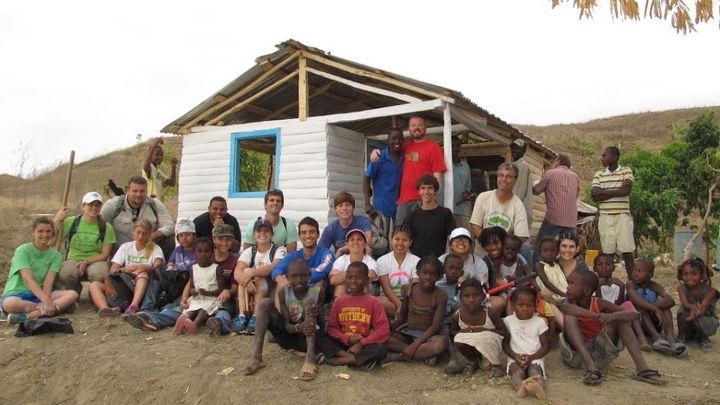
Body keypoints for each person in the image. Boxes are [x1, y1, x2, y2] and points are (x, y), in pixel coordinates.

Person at [558, 270, 666, 386]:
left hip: (599, 356)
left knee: (621, 319)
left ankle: (642, 368)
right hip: (575, 356)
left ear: (587, 290)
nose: (568, 287)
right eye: (568, 283)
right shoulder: (567, 302)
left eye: (572, 284)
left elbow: (634, 315)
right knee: (570, 317)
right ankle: (591, 368)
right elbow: (567, 309)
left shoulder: (599, 303)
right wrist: (598, 316)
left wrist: (612, 316)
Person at [245, 259, 325, 380]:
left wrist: (317, 313)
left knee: (309, 302)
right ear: (287, 277)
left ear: (309, 275)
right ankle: (256, 358)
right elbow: (287, 327)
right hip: (290, 337)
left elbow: (322, 326)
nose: (299, 279)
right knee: (265, 303)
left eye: (303, 275)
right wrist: (300, 327)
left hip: (312, 339)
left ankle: (310, 359)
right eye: (294, 276)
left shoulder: (317, 292)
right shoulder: (284, 292)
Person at [1, 217, 79, 324]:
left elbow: (49, 281)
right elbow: (27, 279)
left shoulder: (55, 255)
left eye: (48, 231)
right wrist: (46, 301)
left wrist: (45, 298)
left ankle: (27, 316)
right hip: (18, 293)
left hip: (41, 293)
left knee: (72, 294)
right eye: (40, 231)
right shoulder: (22, 250)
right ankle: (58, 308)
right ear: (33, 232)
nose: (44, 234)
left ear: (53, 233)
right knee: (9, 304)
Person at [372, 115, 446, 227]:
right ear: (409, 129)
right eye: (413, 125)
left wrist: (433, 199)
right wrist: (375, 151)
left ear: (425, 128)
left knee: (421, 232)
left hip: (423, 200)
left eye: (420, 125)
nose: (416, 128)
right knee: (400, 232)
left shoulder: (433, 147)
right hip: (403, 201)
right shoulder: (405, 146)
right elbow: (391, 150)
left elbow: (438, 177)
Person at [317, 261, 390, 370]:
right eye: (350, 277)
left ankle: (337, 361)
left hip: (363, 344)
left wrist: (361, 344)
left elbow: (383, 330)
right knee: (319, 337)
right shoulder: (339, 301)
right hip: (342, 342)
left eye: (358, 278)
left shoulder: (374, 302)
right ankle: (352, 358)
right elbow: (332, 328)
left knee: (381, 349)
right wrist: (347, 338)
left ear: (367, 280)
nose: (353, 281)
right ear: (345, 278)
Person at [91, 219, 164, 315]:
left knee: (142, 274)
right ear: (133, 232)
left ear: (149, 234)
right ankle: (105, 308)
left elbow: (159, 270)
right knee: (94, 285)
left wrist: (147, 268)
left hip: (143, 285)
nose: (140, 237)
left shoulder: (156, 249)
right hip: (125, 282)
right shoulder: (125, 247)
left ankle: (134, 305)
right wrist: (124, 269)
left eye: (144, 234)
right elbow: (113, 270)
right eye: (138, 232)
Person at [387, 256, 449, 364]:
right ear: (418, 272)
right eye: (424, 273)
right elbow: (402, 315)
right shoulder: (408, 289)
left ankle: (397, 356)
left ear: (439, 277)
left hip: (428, 336)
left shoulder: (440, 295)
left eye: (432, 274)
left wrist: (415, 345)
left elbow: (435, 326)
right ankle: (422, 354)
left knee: (440, 344)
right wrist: (391, 326)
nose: (428, 277)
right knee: (383, 337)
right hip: (408, 333)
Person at [53, 191, 116, 295]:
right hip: (73, 259)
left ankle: (94, 294)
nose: (94, 208)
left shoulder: (106, 227)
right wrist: (56, 220)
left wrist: (86, 262)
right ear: (83, 206)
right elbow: (52, 242)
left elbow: (104, 255)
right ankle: (73, 293)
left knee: (99, 274)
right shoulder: (71, 222)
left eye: (97, 205)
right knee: (66, 273)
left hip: (95, 261)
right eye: (90, 205)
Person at [470, 163, 530, 263]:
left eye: (508, 176)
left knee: (525, 250)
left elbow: (522, 236)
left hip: (505, 252)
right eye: (501, 175)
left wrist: (503, 248)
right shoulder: (483, 197)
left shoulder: (518, 205)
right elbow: (475, 225)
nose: (504, 179)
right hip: (484, 248)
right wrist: (489, 243)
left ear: (515, 180)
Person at [100, 176, 174, 258]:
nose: (138, 194)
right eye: (135, 191)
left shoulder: (155, 205)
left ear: (147, 191)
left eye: (142, 191)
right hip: (121, 254)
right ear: (127, 190)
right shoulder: (112, 206)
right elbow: (100, 227)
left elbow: (169, 226)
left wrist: (150, 236)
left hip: (149, 251)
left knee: (170, 240)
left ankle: (166, 265)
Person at [233, 219, 286, 334]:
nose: (262, 233)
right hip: (251, 289)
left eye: (266, 231)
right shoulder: (249, 251)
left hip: (271, 289)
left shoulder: (279, 250)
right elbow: (237, 270)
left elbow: (274, 266)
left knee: (251, 273)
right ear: (254, 235)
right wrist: (246, 280)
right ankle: (242, 315)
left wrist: (251, 273)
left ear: (272, 234)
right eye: (259, 231)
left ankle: (256, 317)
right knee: (245, 272)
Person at [591, 146, 635, 278]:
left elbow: (626, 190)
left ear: (614, 157)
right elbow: (595, 195)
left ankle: (633, 282)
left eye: (605, 155)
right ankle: (606, 282)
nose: (602, 158)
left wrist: (604, 192)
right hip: (605, 217)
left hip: (623, 216)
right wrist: (618, 191)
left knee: (627, 251)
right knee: (607, 253)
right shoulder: (599, 174)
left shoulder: (626, 171)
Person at [448, 278, 506, 377]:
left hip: (490, 344)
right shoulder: (457, 316)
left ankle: (495, 364)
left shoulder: (490, 312)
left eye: (475, 295)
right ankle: (473, 361)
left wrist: (483, 330)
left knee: (486, 336)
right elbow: (453, 333)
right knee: (459, 339)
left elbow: (504, 332)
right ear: (460, 298)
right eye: (466, 296)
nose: (471, 300)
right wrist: (465, 331)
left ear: (483, 297)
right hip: (472, 346)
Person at [593, 254, 650, 351]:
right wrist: (598, 286)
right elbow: (597, 303)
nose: (604, 267)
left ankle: (642, 339)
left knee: (628, 305)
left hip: (616, 314)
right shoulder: (592, 283)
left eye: (608, 264)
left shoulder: (618, 284)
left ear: (613, 268)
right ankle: (615, 341)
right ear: (595, 268)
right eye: (600, 264)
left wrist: (621, 286)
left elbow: (620, 304)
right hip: (601, 315)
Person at [626, 259, 683, 356]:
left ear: (650, 274)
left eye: (640, 271)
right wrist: (654, 309)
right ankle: (656, 338)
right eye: (634, 270)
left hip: (655, 322)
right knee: (641, 307)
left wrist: (654, 307)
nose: (635, 273)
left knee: (665, 308)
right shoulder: (630, 285)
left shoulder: (655, 286)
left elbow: (670, 300)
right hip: (638, 324)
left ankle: (670, 339)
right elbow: (635, 299)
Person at [503, 286, 550, 399]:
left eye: (530, 305)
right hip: (515, 357)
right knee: (516, 372)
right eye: (520, 305)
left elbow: (545, 346)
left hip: (535, 357)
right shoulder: (508, 321)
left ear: (535, 305)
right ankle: (521, 387)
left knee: (535, 371)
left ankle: (538, 388)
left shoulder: (539, 322)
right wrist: (515, 356)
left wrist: (532, 357)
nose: (525, 309)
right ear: (513, 305)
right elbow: (505, 344)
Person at [533, 154, 580, 264]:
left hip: (554, 218)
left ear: (558, 161)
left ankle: (536, 270)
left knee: (542, 246)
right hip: (571, 220)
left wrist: (531, 185)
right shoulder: (576, 177)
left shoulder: (550, 173)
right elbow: (575, 196)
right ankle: (568, 270)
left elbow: (537, 190)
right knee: (569, 250)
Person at [174, 237, 225, 334]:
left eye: (206, 251)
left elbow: (221, 289)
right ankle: (183, 320)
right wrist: (192, 291)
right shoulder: (193, 268)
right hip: (197, 299)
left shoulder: (217, 268)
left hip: (211, 299)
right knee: (191, 310)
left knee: (203, 310)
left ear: (212, 253)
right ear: (194, 253)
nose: (203, 254)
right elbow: (191, 287)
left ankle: (194, 324)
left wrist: (207, 293)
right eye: (200, 251)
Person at [271, 217, 334, 295]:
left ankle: (310, 304)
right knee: (280, 285)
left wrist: (296, 279)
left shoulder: (326, 253)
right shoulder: (293, 255)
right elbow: (276, 270)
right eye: (304, 233)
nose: (308, 236)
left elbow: (322, 272)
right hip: (295, 290)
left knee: (320, 283)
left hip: (321, 294)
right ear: (299, 236)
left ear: (318, 234)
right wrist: (279, 278)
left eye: (311, 232)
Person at [363, 128, 403, 235]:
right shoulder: (379, 158)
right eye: (393, 138)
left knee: (398, 239)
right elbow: (366, 177)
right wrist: (367, 203)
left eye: (400, 138)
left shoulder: (405, 157)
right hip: (380, 208)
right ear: (388, 140)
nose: (397, 141)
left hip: (400, 208)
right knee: (380, 241)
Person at [404, 175, 455, 258]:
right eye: (423, 188)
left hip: (438, 261)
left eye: (430, 188)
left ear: (436, 191)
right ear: (419, 191)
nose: (426, 191)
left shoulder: (445, 213)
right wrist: (413, 260)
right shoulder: (412, 216)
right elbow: (404, 240)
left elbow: (452, 239)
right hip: (417, 262)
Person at [375, 226, 420, 317]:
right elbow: (386, 288)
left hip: (408, 300)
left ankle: (401, 316)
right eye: (397, 239)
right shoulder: (382, 260)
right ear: (391, 240)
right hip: (389, 300)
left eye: (405, 240)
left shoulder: (417, 261)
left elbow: (415, 287)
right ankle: (404, 317)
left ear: (410, 242)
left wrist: (404, 305)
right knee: (378, 302)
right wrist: (399, 305)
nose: (400, 243)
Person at [204, 224, 240, 336]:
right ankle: (157, 319)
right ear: (213, 238)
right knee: (182, 307)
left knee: (225, 310)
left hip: (224, 299)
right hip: (205, 295)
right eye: (220, 239)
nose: (224, 243)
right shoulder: (205, 256)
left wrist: (228, 291)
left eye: (228, 239)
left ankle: (218, 324)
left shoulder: (236, 260)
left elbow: (235, 287)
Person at [676, 258, 718, 350]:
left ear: (702, 275)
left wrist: (695, 312)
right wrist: (692, 307)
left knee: (697, 317)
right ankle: (681, 335)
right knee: (682, 313)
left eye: (694, 274)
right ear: (681, 275)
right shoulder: (681, 288)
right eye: (686, 274)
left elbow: (702, 309)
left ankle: (703, 337)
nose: (689, 277)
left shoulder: (710, 292)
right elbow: (685, 304)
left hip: (705, 318)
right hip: (689, 315)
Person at [319, 192, 372, 256]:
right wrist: (336, 254)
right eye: (340, 205)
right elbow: (320, 252)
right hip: (341, 259)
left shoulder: (362, 221)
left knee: (368, 249)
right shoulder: (330, 229)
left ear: (353, 208)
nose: (344, 208)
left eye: (348, 205)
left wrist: (343, 249)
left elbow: (368, 241)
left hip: (361, 257)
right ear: (335, 210)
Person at [329, 229, 378, 297]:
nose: (355, 242)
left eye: (359, 239)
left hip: (364, 293)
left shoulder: (370, 261)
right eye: (352, 240)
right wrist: (356, 276)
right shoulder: (341, 259)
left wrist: (348, 276)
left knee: (365, 285)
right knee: (340, 287)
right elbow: (333, 280)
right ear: (347, 244)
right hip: (345, 292)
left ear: (365, 244)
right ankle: (340, 304)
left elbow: (370, 276)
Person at [450, 136, 474, 230]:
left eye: (457, 146)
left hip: (462, 211)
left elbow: (468, 187)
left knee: (464, 237)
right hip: (444, 209)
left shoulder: (465, 166)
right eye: (452, 145)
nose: (455, 148)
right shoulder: (442, 163)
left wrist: (468, 194)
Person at [510, 139, 534, 229]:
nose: (514, 150)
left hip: (519, 212)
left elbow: (519, 191)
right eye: (513, 148)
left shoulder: (522, 166)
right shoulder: (515, 165)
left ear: (524, 151)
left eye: (518, 148)